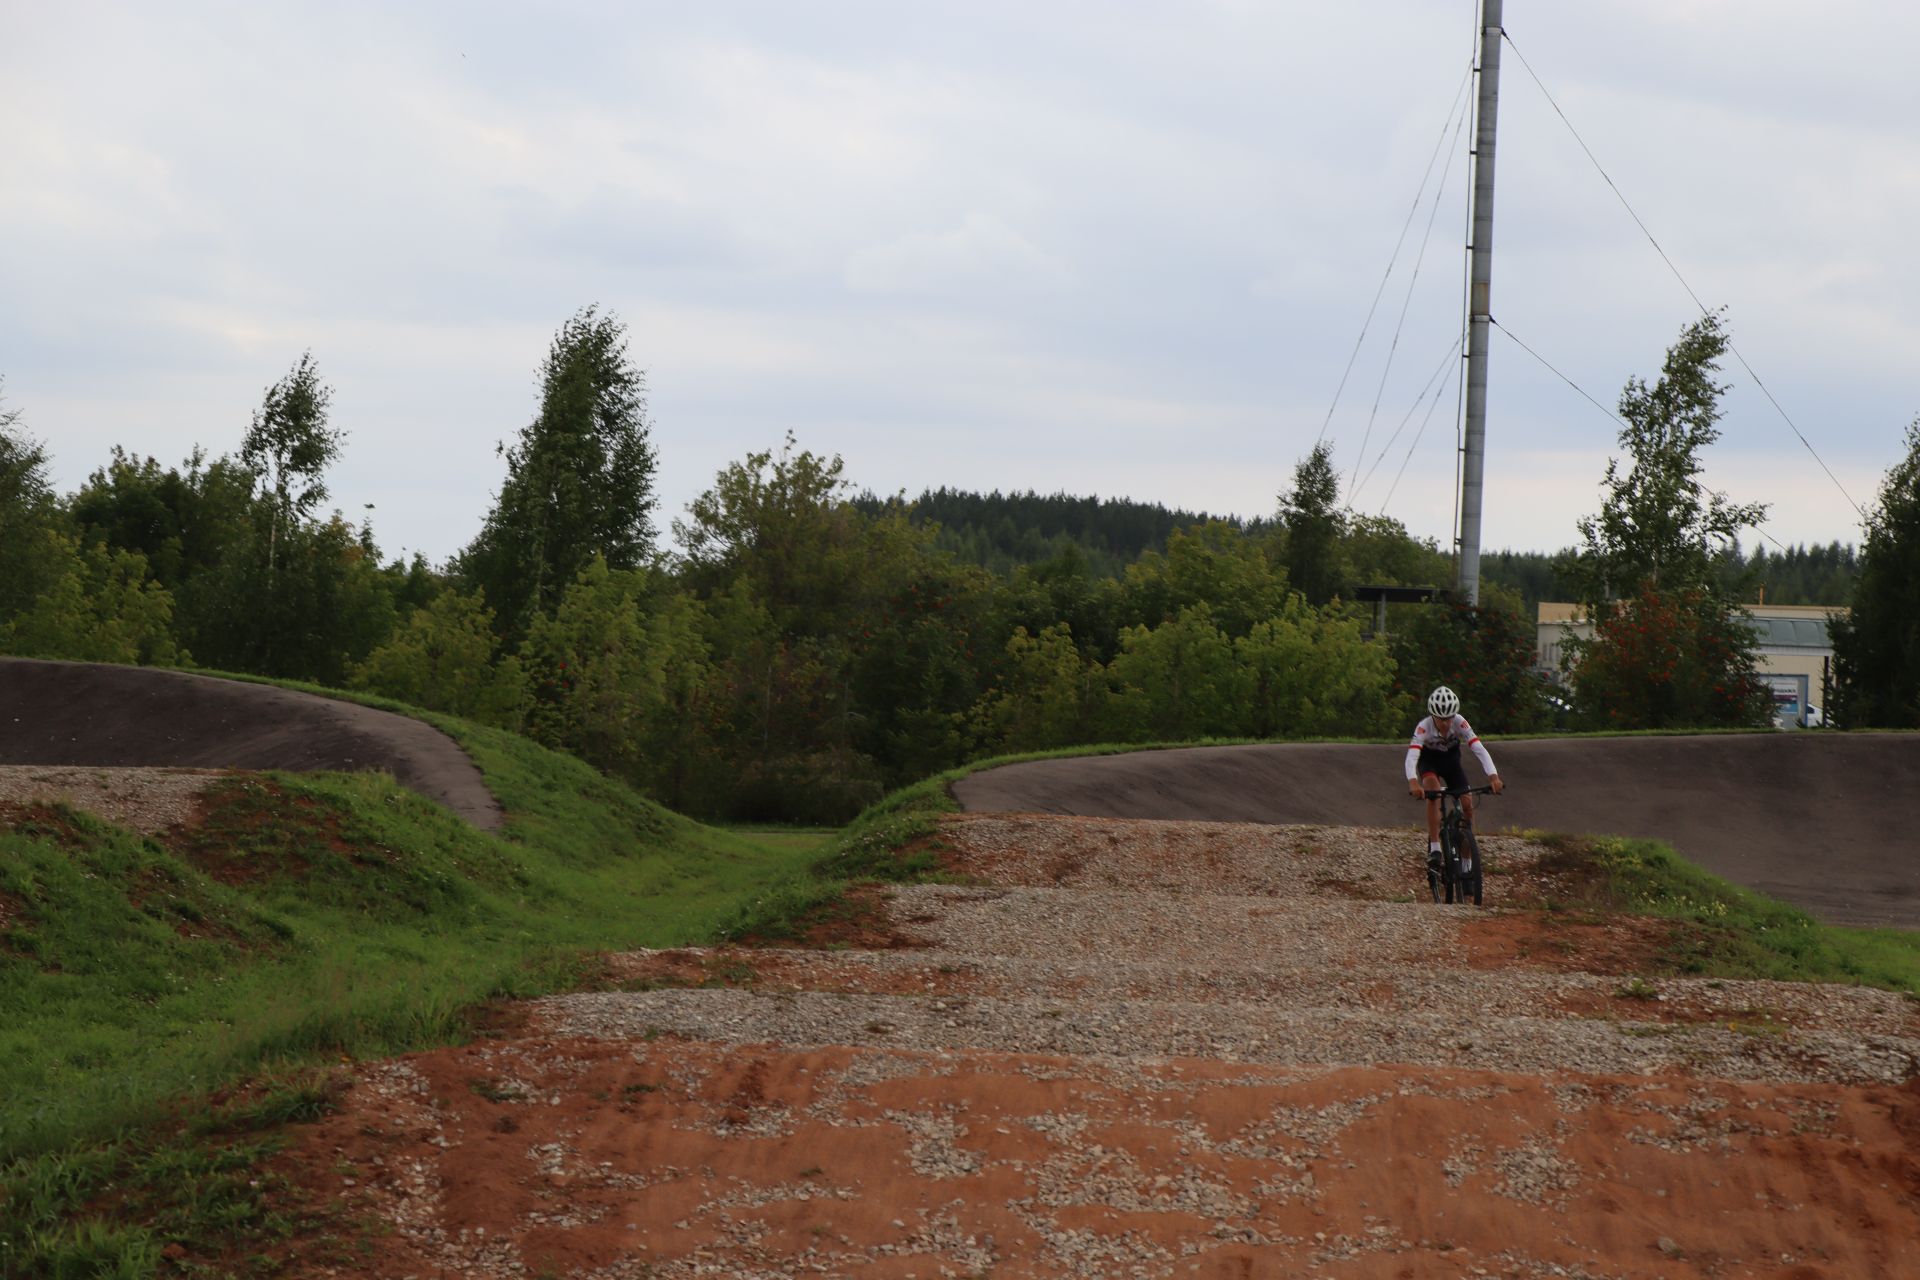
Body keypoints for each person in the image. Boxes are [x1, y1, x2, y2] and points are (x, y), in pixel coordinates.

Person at [1405, 685, 1503, 871]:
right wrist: (1413, 782)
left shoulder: (1460, 722)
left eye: (1450, 718)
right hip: (1430, 762)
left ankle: (1467, 862)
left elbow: (1478, 749)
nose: (1447, 723)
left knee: (1467, 804)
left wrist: (1493, 777)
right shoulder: (1423, 728)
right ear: (1433, 716)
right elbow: (1412, 756)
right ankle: (1435, 849)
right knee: (1433, 792)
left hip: (1451, 763)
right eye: (1442, 719)